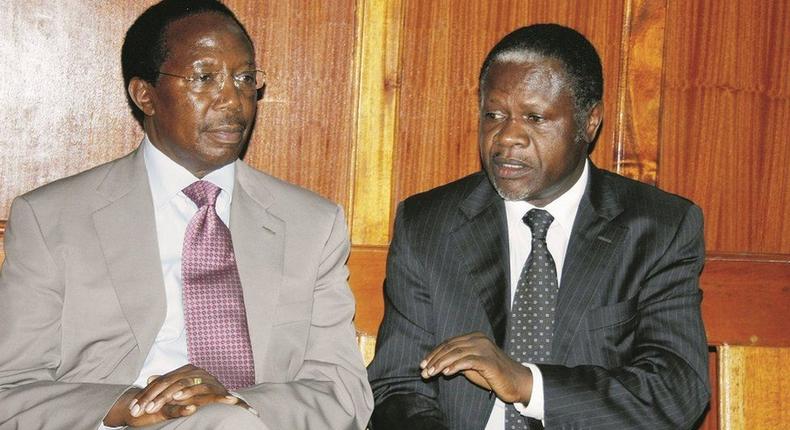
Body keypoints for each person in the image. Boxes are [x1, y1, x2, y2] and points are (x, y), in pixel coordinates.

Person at [0, 1, 373, 428]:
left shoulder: (312, 224)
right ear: (145, 94)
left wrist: (233, 404)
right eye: (204, 77)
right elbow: (10, 388)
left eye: (245, 78)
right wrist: (130, 407)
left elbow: (342, 390)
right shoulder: (54, 219)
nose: (232, 99)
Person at [368, 24, 709, 429]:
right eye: (494, 115)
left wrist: (527, 383)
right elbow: (398, 386)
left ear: (589, 122)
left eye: (535, 117)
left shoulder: (657, 228)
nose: (507, 137)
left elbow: (677, 390)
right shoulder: (428, 224)